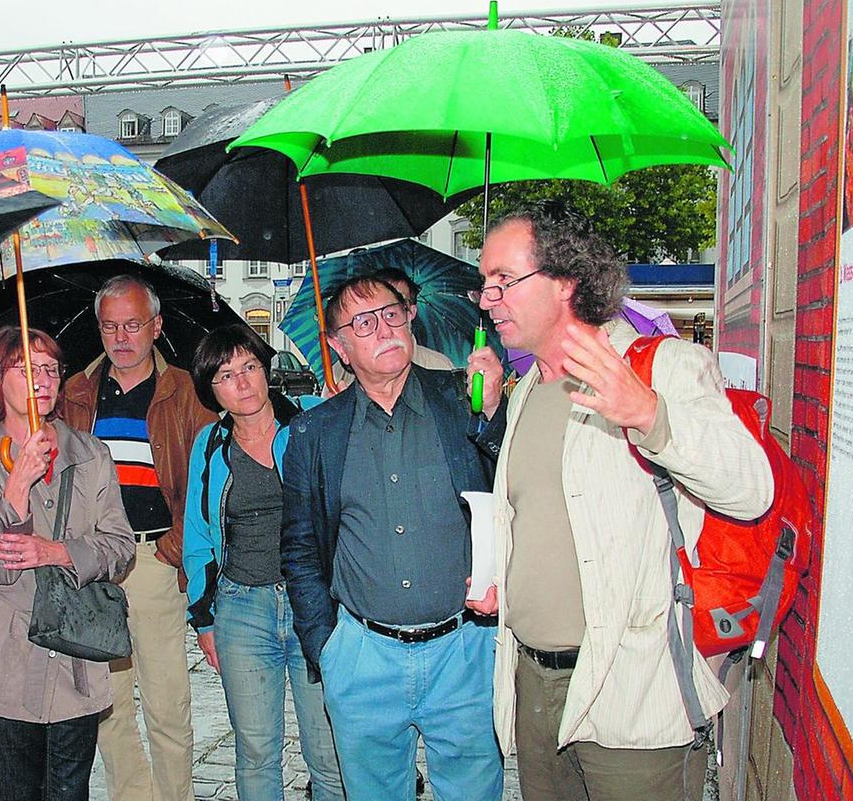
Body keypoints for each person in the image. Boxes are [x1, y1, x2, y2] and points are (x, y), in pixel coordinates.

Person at [466, 212, 774, 801]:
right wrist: (509, 583)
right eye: (485, 283)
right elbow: (549, 522)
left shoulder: (664, 368)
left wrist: (652, 416)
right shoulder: (527, 390)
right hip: (533, 686)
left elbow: (751, 488)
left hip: (632, 693)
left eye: (503, 280)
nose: (487, 300)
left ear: (565, 282)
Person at [281, 274, 506, 800]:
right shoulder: (315, 435)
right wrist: (327, 646)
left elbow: (513, 485)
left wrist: (494, 411)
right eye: (363, 321)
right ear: (338, 344)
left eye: (391, 313)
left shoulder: (464, 400)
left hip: (465, 651)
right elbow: (299, 548)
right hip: (362, 657)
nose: (382, 328)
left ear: (409, 318)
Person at [0, 326, 135, 801]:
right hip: (2, 670)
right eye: (27, 368)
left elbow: (120, 545)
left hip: (75, 663)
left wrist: (58, 552)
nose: (43, 379)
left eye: (51, 368)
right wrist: (18, 483)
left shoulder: (91, 454)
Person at [60, 275, 215, 801]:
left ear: (156, 326)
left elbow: (208, 476)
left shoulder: (185, 391)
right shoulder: (76, 393)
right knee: (107, 704)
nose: (121, 337)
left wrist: (175, 548)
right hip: (97, 566)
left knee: (166, 702)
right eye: (109, 326)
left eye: (132, 325)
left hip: (153, 558)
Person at [182, 324, 344, 801]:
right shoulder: (209, 447)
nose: (243, 382)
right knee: (255, 752)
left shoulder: (315, 420)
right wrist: (203, 619)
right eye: (226, 375)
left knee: (328, 751)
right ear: (211, 390)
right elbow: (197, 537)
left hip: (314, 606)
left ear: (265, 370)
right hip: (241, 610)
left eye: (250, 367)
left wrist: (345, 408)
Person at [328, 266, 454, 392]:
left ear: (409, 313)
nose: (386, 332)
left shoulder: (443, 375)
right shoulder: (337, 379)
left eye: (391, 314)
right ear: (340, 347)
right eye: (365, 323)